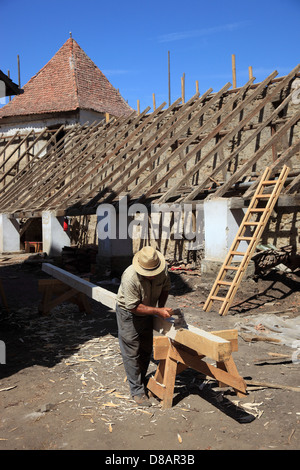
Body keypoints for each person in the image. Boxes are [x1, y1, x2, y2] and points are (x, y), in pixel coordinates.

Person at [116, 246, 174, 406]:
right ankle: (137, 391)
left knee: (146, 348)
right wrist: (157, 310)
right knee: (131, 351)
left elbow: (165, 288)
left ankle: (141, 379)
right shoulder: (130, 277)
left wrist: (161, 309)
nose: (153, 275)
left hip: (148, 310)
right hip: (129, 314)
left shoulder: (162, 270)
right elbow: (133, 306)